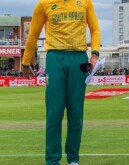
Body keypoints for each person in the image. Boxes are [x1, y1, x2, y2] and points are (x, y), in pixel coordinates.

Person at [21, 0, 101, 164]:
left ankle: (73, 159)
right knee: (54, 112)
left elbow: (94, 29)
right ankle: (52, 160)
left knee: (76, 112)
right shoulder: (44, 4)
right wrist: (25, 62)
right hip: (55, 57)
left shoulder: (85, 2)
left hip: (79, 57)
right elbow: (34, 34)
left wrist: (94, 53)